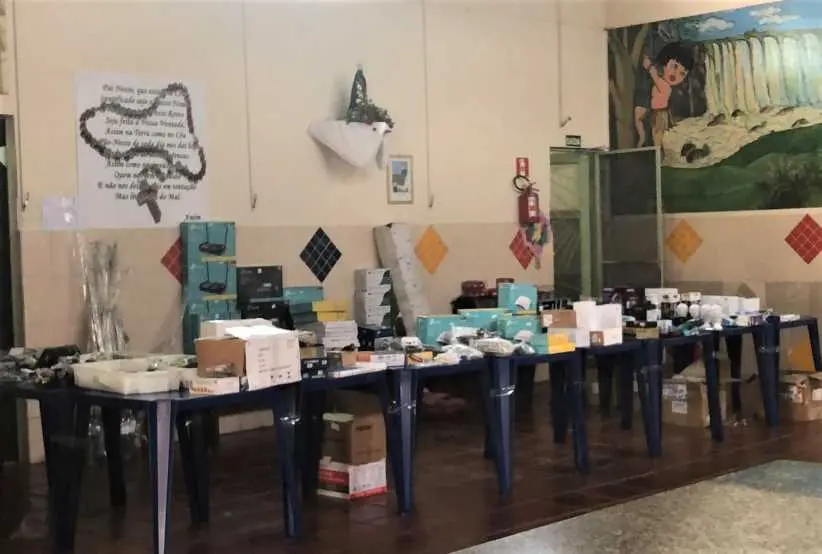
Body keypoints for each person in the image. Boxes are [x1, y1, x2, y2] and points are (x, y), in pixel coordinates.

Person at [633, 41, 694, 150]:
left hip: (660, 113)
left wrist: (648, 65)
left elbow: (654, 75)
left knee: (657, 135)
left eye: (682, 74)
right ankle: (642, 138)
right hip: (653, 110)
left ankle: (657, 150)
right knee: (639, 116)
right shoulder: (663, 83)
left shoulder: (665, 87)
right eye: (674, 66)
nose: (675, 74)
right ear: (665, 62)